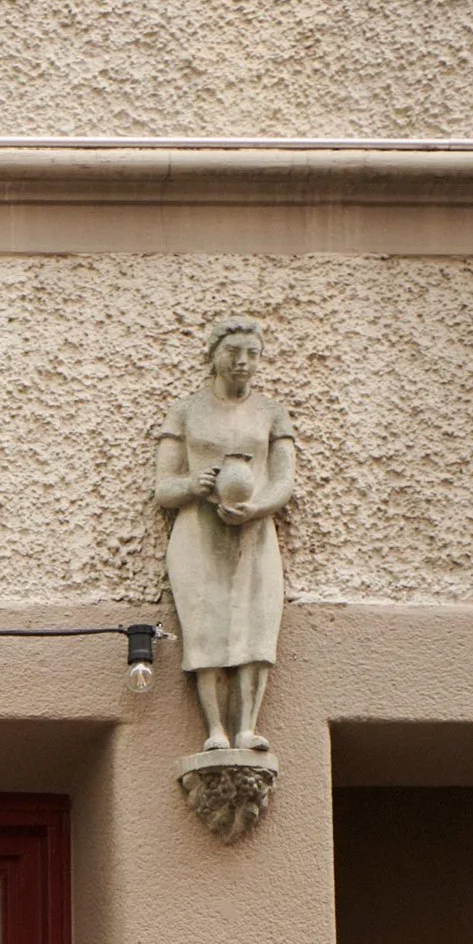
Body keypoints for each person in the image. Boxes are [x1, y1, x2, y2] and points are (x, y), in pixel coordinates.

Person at [153, 316, 297, 759]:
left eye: (252, 354)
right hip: (198, 533)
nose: (242, 362)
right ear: (213, 355)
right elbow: (164, 487)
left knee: (256, 627)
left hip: (253, 533)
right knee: (206, 626)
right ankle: (215, 728)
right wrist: (195, 484)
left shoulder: (271, 412)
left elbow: (283, 479)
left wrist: (257, 507)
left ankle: (248, 728)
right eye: (233, 352)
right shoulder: (187, 410)